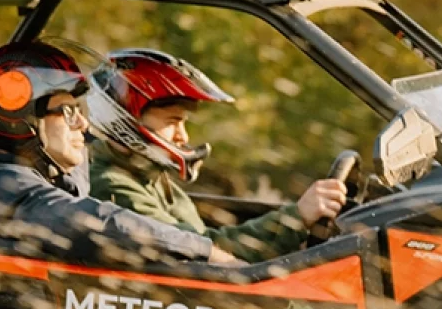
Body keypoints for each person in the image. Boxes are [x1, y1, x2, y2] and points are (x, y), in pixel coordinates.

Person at [0, 41, 241, 264]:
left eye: (79, 110)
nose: (82, 123)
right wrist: (205, 251)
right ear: (21, 122)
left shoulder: (51, 177)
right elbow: (96, 222)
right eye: (68, 112)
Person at [86, 48, 347, 263]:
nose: (183, 136)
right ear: (127, 120)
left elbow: (204, 241)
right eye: (172, 122)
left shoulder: (150, 178)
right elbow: (203, 252)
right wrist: (297, 218)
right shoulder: (113, 187)